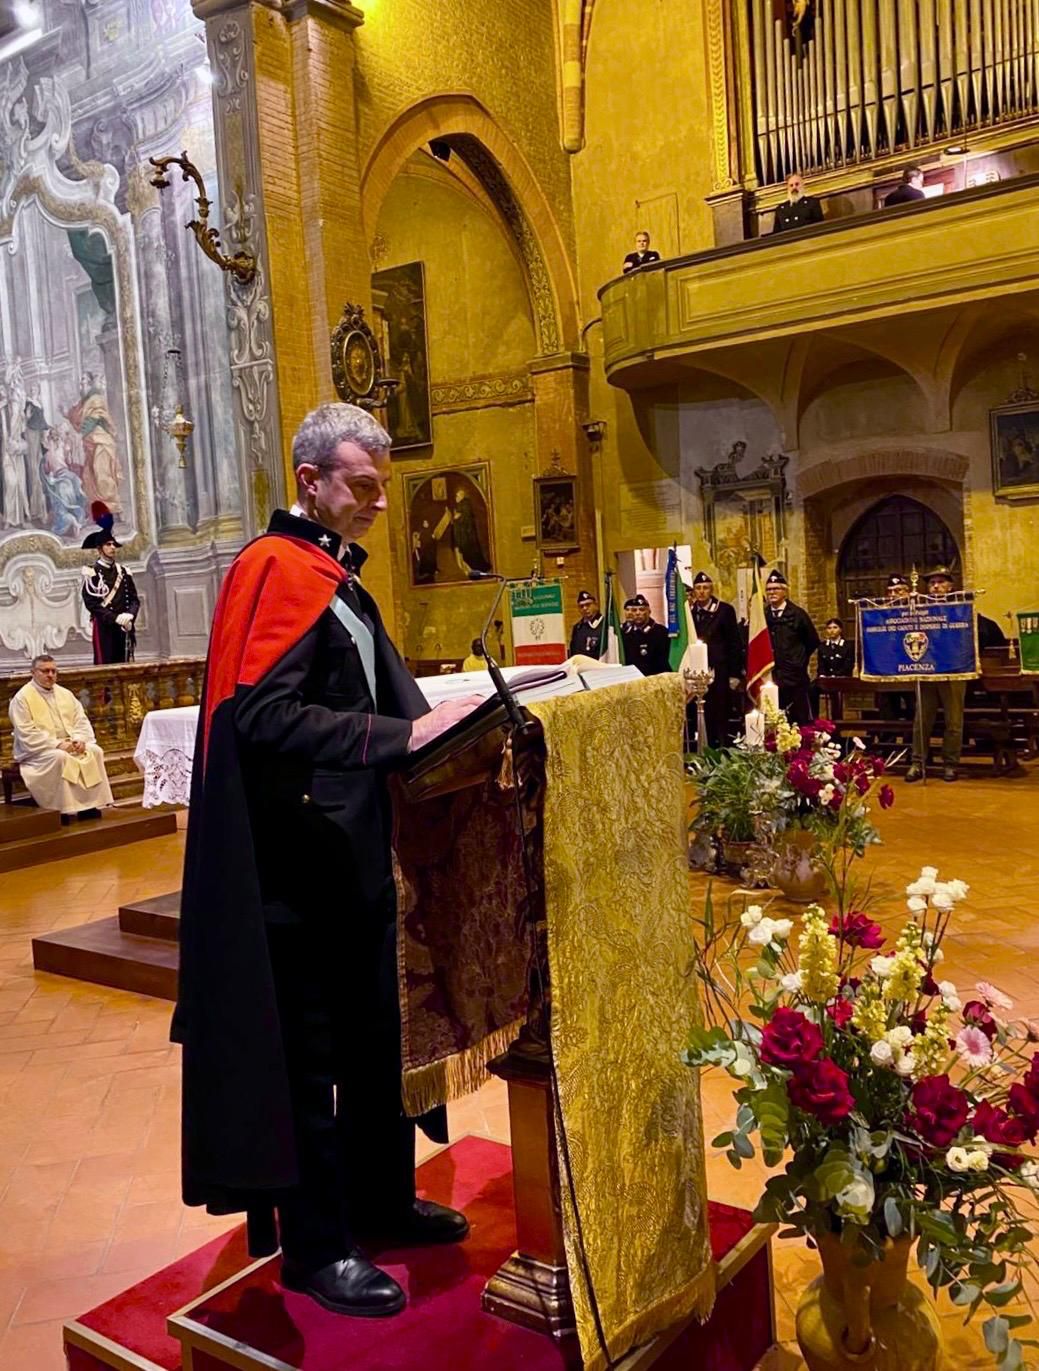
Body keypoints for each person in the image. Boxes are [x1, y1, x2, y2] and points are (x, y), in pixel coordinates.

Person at [175, 402, 481, 1322]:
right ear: (310, 481)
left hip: (357, 855)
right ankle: (316, 1247)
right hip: (296, 867)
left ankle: (381, 1197)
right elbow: (261, 717)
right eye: (364, 484)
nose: (381, 501)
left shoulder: (332, 573)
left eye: (384, 484)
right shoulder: (275, 568)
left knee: (376, 1037)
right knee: (310, 1057)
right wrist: (401, 736)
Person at [9, 654, 113, 820]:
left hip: (69, 744)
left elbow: (81, 720)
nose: (50, 675)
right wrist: (57, 744)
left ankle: (89, 806)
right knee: (60, 757)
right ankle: (62, 809)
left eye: (53, 671)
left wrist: (79, 739)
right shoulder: (22, 698)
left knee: (95, 751)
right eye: (45, 671)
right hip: (38, 751)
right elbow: (26, 731)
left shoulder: (65, 694)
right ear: (33, 672)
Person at [905, 566, 967, 783]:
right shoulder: (921, 610)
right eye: (932, 583)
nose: (936, 586)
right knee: (921, 720)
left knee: (954, 721)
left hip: (953, 670)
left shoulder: (960, 608)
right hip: (927, 670)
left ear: (950, 586)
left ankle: (950, 763)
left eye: (940, 582)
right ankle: (917, 762)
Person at [688, 572, 743, 746]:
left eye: (705, 588)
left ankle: (723, 748)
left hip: (719, 670)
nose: (701, 591)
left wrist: (734, 674)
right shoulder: (689, 613)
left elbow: (734, 643)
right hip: (697, 672)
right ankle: (705, 746)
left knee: (720, 712)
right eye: (698, 588)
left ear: (711, 590)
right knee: (701, 712)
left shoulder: (724, 610)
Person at [81, 503, 140, 664]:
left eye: (114, 544)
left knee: (126, 665)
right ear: (100, 549)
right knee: (106, 667)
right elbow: (92, 604)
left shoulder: (124, 572)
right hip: (105, 628)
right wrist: (115, 618)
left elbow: (134, 600)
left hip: (125, 625)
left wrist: (130, 615)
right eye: (108, 544)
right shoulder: (92, 572)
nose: (113, 547)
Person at [764, 568, 819, 724]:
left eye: (776, 589)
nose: (772, 592)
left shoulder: (797, 614)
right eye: (769, 590)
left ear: (785, 591)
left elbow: (812, 640)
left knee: (798, 717)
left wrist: (798, 659)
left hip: (794, 676)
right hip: (773, 675)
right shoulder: (764, 615)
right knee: (775, 717)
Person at [812, 617, 854, 716]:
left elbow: (848, 665)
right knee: (812, 688)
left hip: (842, 678)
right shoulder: (823, 646)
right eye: (829, 628)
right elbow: (821, 665)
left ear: (840, 629)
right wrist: (822, 675)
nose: (832, 630)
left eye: (835, 627)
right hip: (827, 678)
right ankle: (814, 717)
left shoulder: (847, 646)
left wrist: (836, 675)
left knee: (836, 691)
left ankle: (837, 719)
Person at [621, 594, 670, 675]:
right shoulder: (626, 633)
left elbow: (664, 662)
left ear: (649, 611)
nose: (637, 613)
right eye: (634, 610)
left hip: (655, 678)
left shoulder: (661, 632)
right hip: (632, 678)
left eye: (642, 609)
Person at [568, 589, 605, 659]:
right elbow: (574, 652)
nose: (585, 608)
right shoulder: (578, 628)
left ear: (595, 605)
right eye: (581, 606)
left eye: (588, 605)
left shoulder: (605, 625)